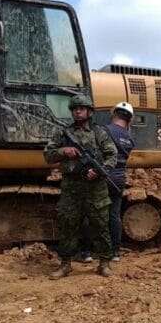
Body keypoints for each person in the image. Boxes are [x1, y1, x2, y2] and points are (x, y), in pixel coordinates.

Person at [43, 94, 118, 279]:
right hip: (72, 187)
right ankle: (66, 263)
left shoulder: (99, 133)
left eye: (82, 108)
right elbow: (48, 155)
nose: (78, 111)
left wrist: (99, 171)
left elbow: (112, 155)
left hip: (95, 188)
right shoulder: (63, 133)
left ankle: (104, 262)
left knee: (100, 225)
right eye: (75, 109)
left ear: (89, 112)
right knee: (68, 224)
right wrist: (63, 151)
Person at [103, 101, 136, 261]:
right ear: (129, 119)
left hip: (103, 175)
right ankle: (115, 252)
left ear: (114, 114)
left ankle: (87, 252)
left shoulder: (104, 131)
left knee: (91, 213)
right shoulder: (129, 138)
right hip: (119, 178)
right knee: (114, 214)